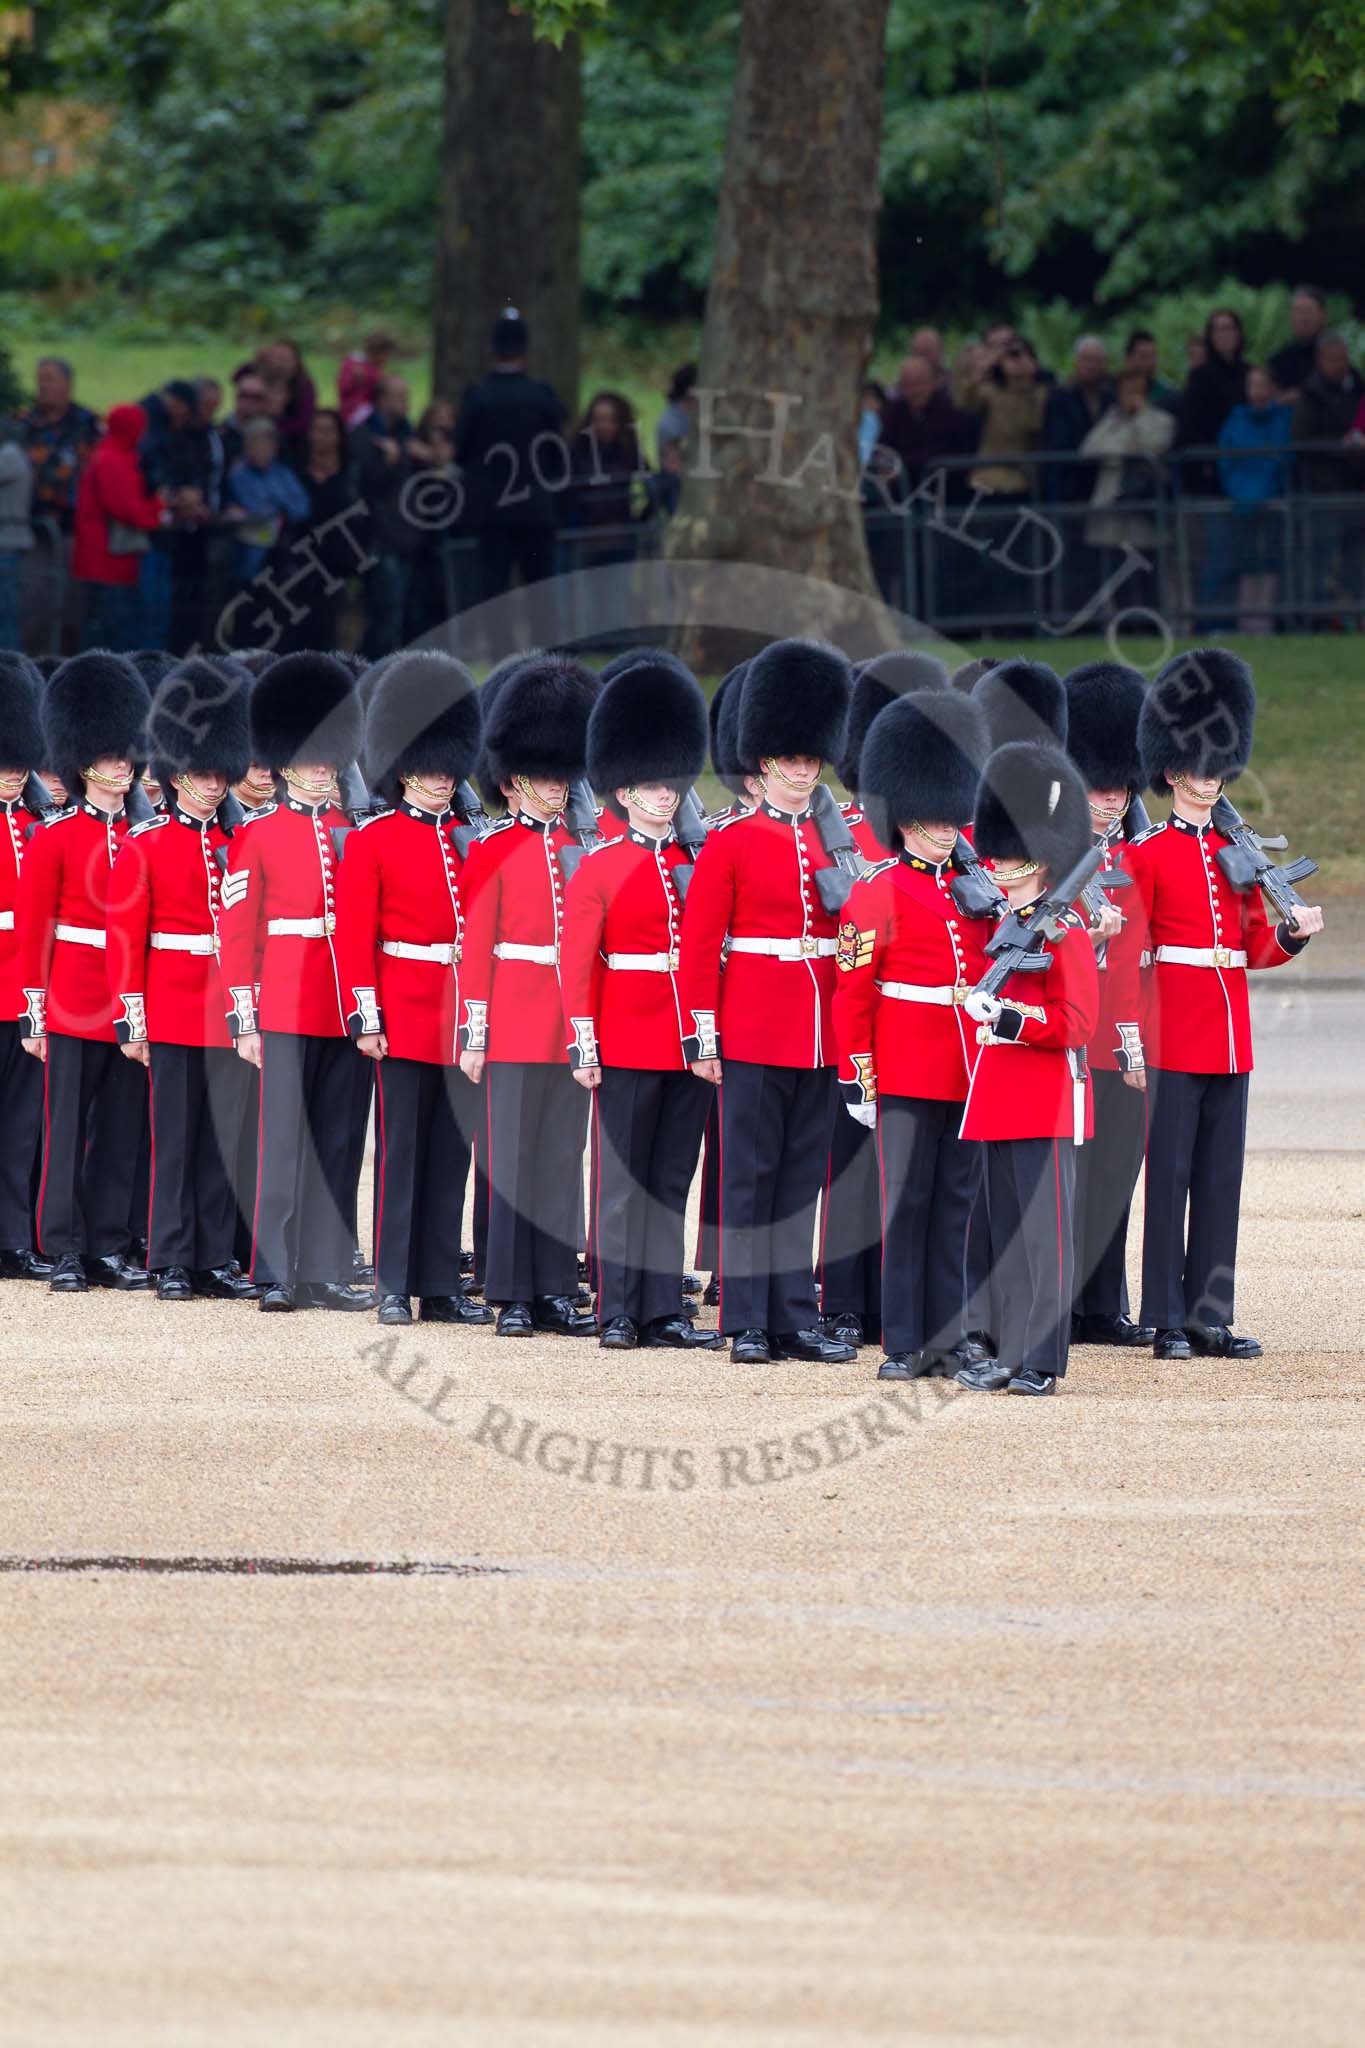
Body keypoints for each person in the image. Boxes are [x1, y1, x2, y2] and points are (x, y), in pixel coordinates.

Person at [1111, 650, 1323, 1360]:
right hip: (1171, 1034)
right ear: (1171, 773)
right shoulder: (1144, 854)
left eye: (1216, 768)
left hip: (1228, 1034)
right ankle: (1166, 1317)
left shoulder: (1236, 856)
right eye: (1196, 769)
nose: (1208, 780)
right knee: (1167, 1178)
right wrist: (1131, 1044)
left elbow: (1252, 947)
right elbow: (1126, 961)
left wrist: (1291, 937)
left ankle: (1209, 1313)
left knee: (1218, 1180)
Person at [678, 638, 856, 1366]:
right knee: (748, 1178)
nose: (802, 769)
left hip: (816, 1029)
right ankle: (745, 1317)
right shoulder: (730, 843)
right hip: (752, 1025)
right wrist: (703, 1033)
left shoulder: (833, 844)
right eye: (790, 759)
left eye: (811, 759)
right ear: (763, 762)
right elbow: (699, 946)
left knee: (798, 1181)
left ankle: (789, 1314)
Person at [561, 655, 721, 1352]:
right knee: (624, 1182)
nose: (663, 797)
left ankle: (663, 1308)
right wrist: (584, 1042)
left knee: (670, 1177)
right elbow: (578, 963)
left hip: (685, 1037)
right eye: (650, 788)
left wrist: (706, 1035)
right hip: (625, 1034)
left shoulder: (697, 862)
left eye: (670, 787)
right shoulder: (598, 865)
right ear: (623, 793)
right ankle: (619, 1308)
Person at [834, 688, 993, 1381]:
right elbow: (852, 996)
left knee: (955, 1209)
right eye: (933, 821)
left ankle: (947, 1338)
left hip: (966, 1067)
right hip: (903, 1069)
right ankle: (902, 1342)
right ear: (903, 821)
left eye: (952, 818)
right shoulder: (876, 891)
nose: (947, 830)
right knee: (905, 1211)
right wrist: (860, 1077)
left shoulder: (974, 888)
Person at [335, 650, 491, 1327]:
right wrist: (366, 1016)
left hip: (458, 1015)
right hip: (401, 1008)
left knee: (451, 1154)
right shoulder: (373, 841)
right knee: (401, 1154)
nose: (438, 779)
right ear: (401, 768)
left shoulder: (471, 838)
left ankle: (440, 1283)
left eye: (446, 767)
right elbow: (354, 938)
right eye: (426, 768)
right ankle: (395, 1282)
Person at [216, 652, 375, 1313]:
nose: (319, 767)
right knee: (282, 1145)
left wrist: (368, 1011)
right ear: (282, 763)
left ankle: (325, 1270)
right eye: (308, 756)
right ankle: (275, 1271)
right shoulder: (256, 834)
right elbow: (238, 932)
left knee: (339, 1144)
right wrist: (244, 1019)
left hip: (343, 1007)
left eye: (326, 755)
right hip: (283, 1003)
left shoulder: (353, 834)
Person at [104, 655, 258, 1302]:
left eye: (221, 772)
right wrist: (132, 1018)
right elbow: (125, 939)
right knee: (173, 1137)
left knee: (222, 1139)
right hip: (168, 1002)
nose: (216, 784)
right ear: (173, 776)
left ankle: (214, 1256)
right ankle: (171, 1255)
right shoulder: (145, 842)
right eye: (202, 773)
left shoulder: (238, 842)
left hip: (224, 1006)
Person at [456, 653, 599, 1337]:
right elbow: (476, 946)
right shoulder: (490, 849)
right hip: (512, 1016)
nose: (555, 787)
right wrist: (475, 1033)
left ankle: (552, 1287)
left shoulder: (584, 846)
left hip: (567, 1022)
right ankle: (511, 1291)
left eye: (560, 774)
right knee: (509, 1158)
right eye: (542, 776)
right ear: (511, 783)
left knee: (559, 1156)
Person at [953, 741, 1099, 1397]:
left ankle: (1043, 1358)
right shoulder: (1007, 927)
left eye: (1011, 856)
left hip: (1042, 1098)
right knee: (1007, 1239)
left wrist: (1007, 1018)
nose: (999, 865)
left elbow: (1076, 1024)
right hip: (998, 1098)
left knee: (1045, 1241)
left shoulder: (1061, 930)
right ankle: (1009, 1351)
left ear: (1039, 861)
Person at [818, 651, 952, 1351]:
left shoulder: (943, 832)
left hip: (919, 1031)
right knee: (848, 1166)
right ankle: (844, 1297)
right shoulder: (835, 817)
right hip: (860, 1017)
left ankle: (916, 1312)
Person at [15, 652, 155, 1292]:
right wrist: (34, 1012)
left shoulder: (142, 835)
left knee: (122, 1130)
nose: (122, 767)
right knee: (65, 1128)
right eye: (110, 757)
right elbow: (35, 929)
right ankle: (64, 1246)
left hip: (127, 1002)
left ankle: (106, 1244)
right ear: (84, 762)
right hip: (72, 996)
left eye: (127, 756)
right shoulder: (55, 836)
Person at [1062, 660, 1155, 1348]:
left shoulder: (1140, 852)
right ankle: (1058, 1301)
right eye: (1096, 786)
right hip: (1066, 1033)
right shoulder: (1048, 849)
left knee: (1116, 1173)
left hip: (1123, 1039)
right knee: (1064, 1178)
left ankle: (1102, 1304)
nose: (1110, 798)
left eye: (1120, 786)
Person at [454, 309, 566, 609]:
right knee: (540, 593)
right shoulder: (542, 395)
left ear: (493, 349)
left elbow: (462, 452)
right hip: (535, 510)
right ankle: (546, 656)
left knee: (494, 594)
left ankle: (499, 656)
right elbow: (557, 456)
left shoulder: (478, 397)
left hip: (492, 512)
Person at [0, 652, 51, 1277]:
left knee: (20, 1125)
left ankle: (13, 1238)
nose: (15, 775)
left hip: (23, 991)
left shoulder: (36, 823)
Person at [72, 404, 167, 652]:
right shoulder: (115, 459)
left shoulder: (108, 454)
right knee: (113, 628)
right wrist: (157, 510)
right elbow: (125, 508)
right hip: (109, 559)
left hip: (102, 554)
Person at [1079, 368, 1173, 606]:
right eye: (1126, 390)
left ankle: (1151, 625)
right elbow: (1089, 450)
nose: (1130, 395)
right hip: (1112, 504)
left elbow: (1153, 446)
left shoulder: (1161, 419)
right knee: (1114, 571)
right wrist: (1124, 446)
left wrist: (1138, 418)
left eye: (1136, 390)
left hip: (1143, 507)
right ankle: (1122, 625)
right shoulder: (1110, 419)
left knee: (1147, 569)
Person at [350, 375, 424, 660]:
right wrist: (393, 461)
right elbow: (367, 490)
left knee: (398, 611)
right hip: (379, 539)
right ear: (381, 400)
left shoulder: (407, 434)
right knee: (385, 611)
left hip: (406, 535)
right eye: (399, 396)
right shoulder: (364, 436)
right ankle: (372, 669)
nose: (405, 402)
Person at [1291, 333, 1364, 616]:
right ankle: (1318, 616)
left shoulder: (1358, 389)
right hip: (1324, 492)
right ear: (1320, 361)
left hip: (1355, 490)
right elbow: (1301, 439)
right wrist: (1340, 447)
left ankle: (1356, 615)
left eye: (1343, 358)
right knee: (1320, 558)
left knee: (1355, 559)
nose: (1340, 365)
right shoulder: (1309, 394)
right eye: (1333, 360)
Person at [1216, 365, 1292, 632]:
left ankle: (1265, 617)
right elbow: (1225, 462)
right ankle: (1245, 618)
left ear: (1272, 389)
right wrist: (1239, 492)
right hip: (1242, 502)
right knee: (1246, 559)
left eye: (1263, 385)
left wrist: (1274, 491)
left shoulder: (1284, 420)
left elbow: (1286, 460)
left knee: (1271, 558)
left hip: (1272, 501)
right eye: (1253, 385)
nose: (1258, 391)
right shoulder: (1234, 421)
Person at [953, 336, 1048, 499]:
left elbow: (1035, 425)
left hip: (1023, 480)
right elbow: (964, 403)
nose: (1017, 360)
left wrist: (1028, 378)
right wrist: (986, 367)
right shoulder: (991, 393)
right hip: (987, 478)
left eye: (1023, 354)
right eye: (1012, 355)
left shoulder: (1040, 394)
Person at [225, 419, 310, 585]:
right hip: (249, 555)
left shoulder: (284, 473)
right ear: (246, 447)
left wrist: (278, 506)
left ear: (275, 447)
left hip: (283, 551)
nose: (260, 450)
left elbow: (303, 508)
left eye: (266, 443)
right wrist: (282, 504)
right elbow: (255, 508)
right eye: (255, 444)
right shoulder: (238, 475)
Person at [17, 357, 97, 534]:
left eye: (49, 379)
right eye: (39, 380)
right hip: (29, 522)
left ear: (68, 384)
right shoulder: (24, 421)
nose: (42, 386)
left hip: (74, 525)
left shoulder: (87, 422)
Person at [567, 391, 647, 563]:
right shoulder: (577, 451)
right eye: (598, 419)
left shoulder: (629, 451)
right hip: (585, 538)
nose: (603, 425)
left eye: (610, 420)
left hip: (620, 537)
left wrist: (641, 519)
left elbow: (651, 482)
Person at [877, 354, 972, 496]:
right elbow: (884, 448)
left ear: (934, 382)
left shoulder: (951, 412)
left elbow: (949, 455)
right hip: (904, 494)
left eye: (919, 383)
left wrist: (905, 463)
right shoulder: (895, 411)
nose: (914, 391)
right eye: (907, 385)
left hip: (946, 494)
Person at [1175, 308, 1247, 491]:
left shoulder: (1249, 374)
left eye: (1228, 329)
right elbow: (1190, 425)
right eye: (1218, 330)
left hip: (1244, 462)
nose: (1224, 335)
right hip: (1209, 468)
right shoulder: (1199, 377)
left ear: (1238, 333)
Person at [1042, 336, 1115, 503]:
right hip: (1068, 484)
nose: (1091, 365)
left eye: (1097, 360)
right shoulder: (1060, 396)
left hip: (1100, 483)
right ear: (1076, 361)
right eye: (1086, 359)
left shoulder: (1111, 397)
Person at [0, 420, 34, 651]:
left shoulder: (10, 455)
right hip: (8, 541)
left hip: (6, 542)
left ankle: (8, 668)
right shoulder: (14, 454)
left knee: (5, 613)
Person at [257, 339, 316, 465]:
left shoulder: (304, 386)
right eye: (277, 358)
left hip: (292, 443)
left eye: (286, 359)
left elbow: (304, 424)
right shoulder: (261, 376)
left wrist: (276, 425)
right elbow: (237, 377)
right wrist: (258, 361)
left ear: (296, 362)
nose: (280, 364)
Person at [1268, 286, 1328, 403]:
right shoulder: (1279, 359)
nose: (1303, 318)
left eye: (1308, 311)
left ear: (1323, 316)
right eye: (1298, 312)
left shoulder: (1335, 356)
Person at [338, 328, 399, 431]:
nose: (386, 359)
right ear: (377, 353)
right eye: (385, 355)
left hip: (366, 410)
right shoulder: (355, 365)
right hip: (356, 412)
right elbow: (343, 387)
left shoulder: (368, 368)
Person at [220, 367, 272, 472]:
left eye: (257, 398)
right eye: (244, 395)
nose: (249, 402)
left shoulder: (273, 434)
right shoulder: (219, 435)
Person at [1123, 331, 1180, 414]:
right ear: (1128, 359)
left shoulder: (1170, 396)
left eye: (1153, 356)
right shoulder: (1113, 395)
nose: (1150, 363)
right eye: (1144, 357)